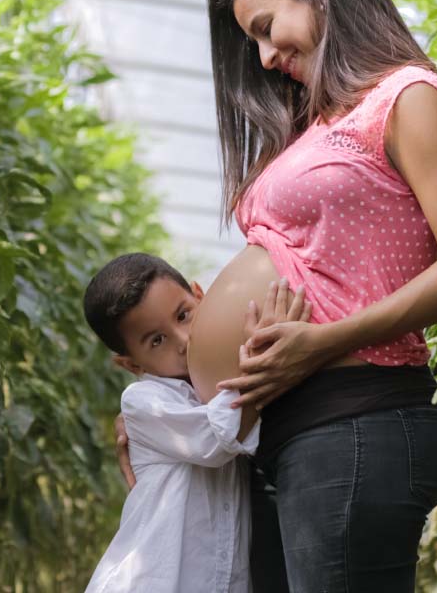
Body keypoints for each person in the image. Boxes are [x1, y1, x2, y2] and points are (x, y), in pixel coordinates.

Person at [116, 0, 437, 590]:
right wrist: (172, 416)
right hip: (299, 434)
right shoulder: (316, 124)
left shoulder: (406, 97)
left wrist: (322, 343)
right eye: (253, 42)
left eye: (267, 29)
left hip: (356, 417)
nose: (266, 56)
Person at [81, 253, 310, 593]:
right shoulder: (143, 403)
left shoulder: (210, 388)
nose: (183, 340)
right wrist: (270, 355)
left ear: (202, 297)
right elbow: (218, 435)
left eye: (184, 315)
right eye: (156, 341)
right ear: (131, 364)